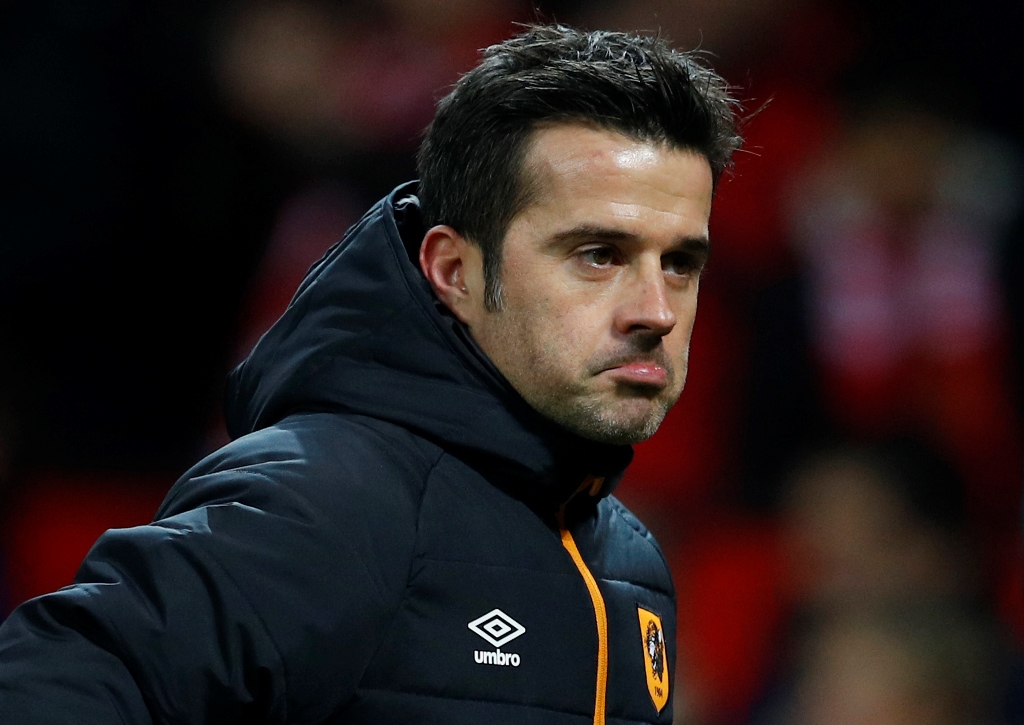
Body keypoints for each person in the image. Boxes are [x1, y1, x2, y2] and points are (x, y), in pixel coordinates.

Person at [0, 23, 741, 724]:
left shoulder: (631, 561)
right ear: (453, 269)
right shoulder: (327, 500)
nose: (656, 309)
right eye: (598, 254)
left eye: (680, 263)